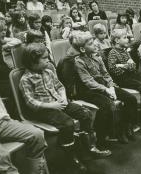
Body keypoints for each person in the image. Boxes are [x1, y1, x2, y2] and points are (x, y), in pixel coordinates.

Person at [19, 43, 111, 173]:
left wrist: (62, 97)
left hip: (60, 103)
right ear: (33, 62)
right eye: (45, 58)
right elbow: (30, 102)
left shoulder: (49, 71)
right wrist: (52, 105)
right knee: (68, 124)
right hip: (44, 110)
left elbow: (60, 86)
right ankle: (70, 156)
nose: (48, 60)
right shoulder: (26, 79)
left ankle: (89, 147)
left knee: (86, 114)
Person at [0, 48, 48, 174]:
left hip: (2, 122)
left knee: (37, 135)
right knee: (1, 156)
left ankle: (34, 172)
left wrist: (5, 115)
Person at [72, 32, 138, 145]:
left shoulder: (97, 57)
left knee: (131, 99)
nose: (95, 45)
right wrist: (105, 89)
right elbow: (88, 82)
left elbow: (106, 74)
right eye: (91, 44)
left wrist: (111, 86)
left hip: (105, 86)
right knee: (107, 105)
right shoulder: (79, 62)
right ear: (83, 49)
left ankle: (126, 127)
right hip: (89, 91)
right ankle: (102, 137)